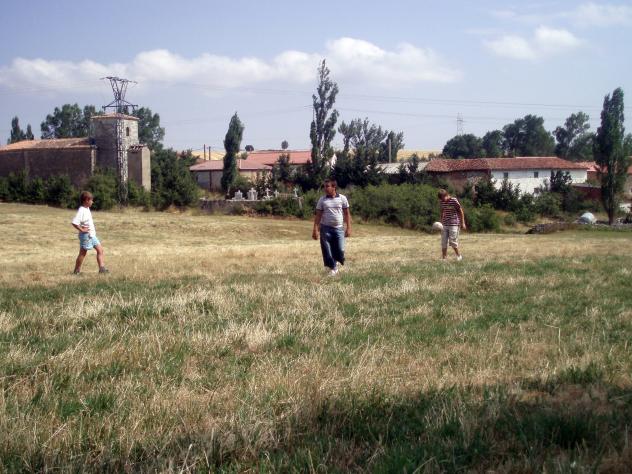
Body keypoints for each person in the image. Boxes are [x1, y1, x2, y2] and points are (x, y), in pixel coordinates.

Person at [312, 179, 352, 276]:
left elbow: (347, 214)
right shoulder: (322, 200)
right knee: (327, 251)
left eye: (327, 186)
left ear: (334, 187)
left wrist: (349, 228)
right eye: (324, 186)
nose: (325, 188)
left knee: (340, 250)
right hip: (325, 229)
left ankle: (336, 261)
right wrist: (315, 229)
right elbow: (318, 216)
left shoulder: (342, 198)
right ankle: (333, 268)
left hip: (339, 229)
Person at [71, 191, 109, 274]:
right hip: (86, 236)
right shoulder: (81, 210)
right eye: (91, 200)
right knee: (82, 253)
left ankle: (102, 269)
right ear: (86, 200)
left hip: (92, 235)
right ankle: (76, 271)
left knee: (100, 250)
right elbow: (74, 222)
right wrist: (82, 230)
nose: (92, 202)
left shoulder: (87, 208)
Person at [438, 188, 466, 261]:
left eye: (443, 198)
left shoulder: (454, 200)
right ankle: (444, 258)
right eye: (441, 199)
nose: (442, 200)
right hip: (445, 224)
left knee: (452, 241)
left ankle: (459, 256)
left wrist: (463, 223)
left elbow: (461, 211)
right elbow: (442, 211)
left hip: (454, 224)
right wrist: (441, 222)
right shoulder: (442, 202)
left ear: (446, 195)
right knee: (443, 242)